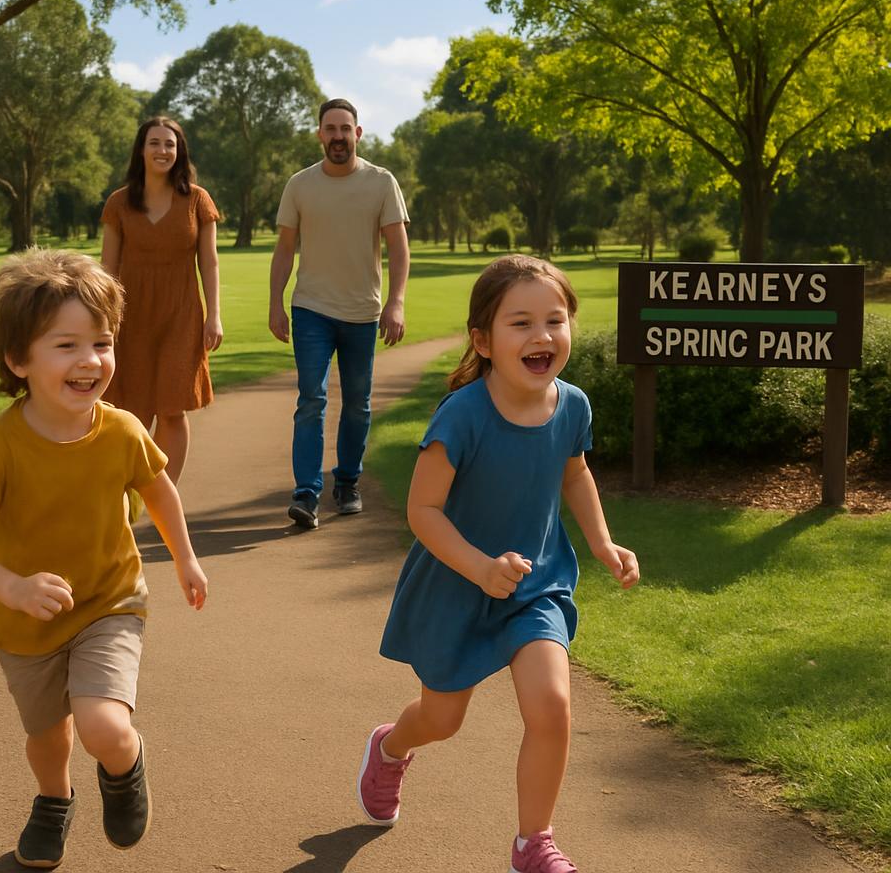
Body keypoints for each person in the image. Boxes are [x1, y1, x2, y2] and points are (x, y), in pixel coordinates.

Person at [357, 254, 640, 873]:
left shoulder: (573, 406)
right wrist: (481, 568)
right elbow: (423, 511)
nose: (542, 336)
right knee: (441, 718)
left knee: (551, 706)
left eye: (555, 320)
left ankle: (532, 842)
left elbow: (576, 473)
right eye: (521, 323)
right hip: (456, 587)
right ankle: (392, 747)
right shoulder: (462, 415)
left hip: (535, 588)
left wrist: (600, 542)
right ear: (483, 341)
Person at [0, 249, 208, 869]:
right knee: (46, 737)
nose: (91, 361)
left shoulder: (121, 431)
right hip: (25, 621)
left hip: (110, 602)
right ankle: (54, 802)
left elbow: (159, 490)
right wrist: (12, 588)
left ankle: (124, 765)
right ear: (18, 359)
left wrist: (186, 559)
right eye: (67, 346)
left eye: (103, 343)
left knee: (102, 725)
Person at [269, 98, 410, 530]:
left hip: (362, 313)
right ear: (319, 135)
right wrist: (276, 301)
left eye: (344, 129)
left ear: (358, 133)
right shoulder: (300, 185)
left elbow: (399, 249)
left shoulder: (382, 182)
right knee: (311, 400)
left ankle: (347, 483)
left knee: (357, 406)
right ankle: (306, 495)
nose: (337, 137)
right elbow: (285, 249)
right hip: (311, 307)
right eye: (330, 129)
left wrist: (396, 301)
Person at [101, 116, 223, 487]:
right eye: (154, 143)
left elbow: (210, 261)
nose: (163, 150)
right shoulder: (119, 203)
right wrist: (101, 322)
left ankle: (163, 498)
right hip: (130, 318)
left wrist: (213, 315)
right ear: (141, 150)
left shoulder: (198, 200)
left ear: (179, 151)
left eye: (170, 144)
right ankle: (129, 493)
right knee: (131, 411)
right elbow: (106, 268)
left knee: (172, 409)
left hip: (181, 316)